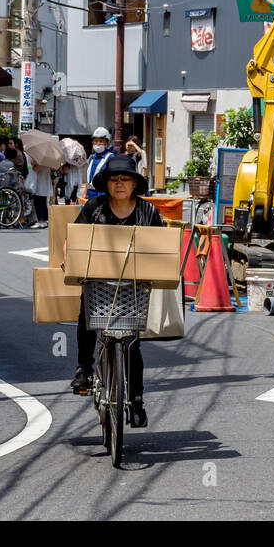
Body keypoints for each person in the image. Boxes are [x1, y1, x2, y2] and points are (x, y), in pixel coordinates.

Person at [66, 155, 164, 428]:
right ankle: (83, 369)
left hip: (134, 287)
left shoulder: (149, 213)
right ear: (107, 183)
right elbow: (74, 239)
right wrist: (69, 259)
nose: (120, 184)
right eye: (114, 179)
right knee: (86, 315)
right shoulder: (95, 208)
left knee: (132, 344)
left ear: (135, 183)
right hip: (99, 283)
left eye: (125, 179)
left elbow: (164, 247)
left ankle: (136, 400)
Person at [84, 127, 115, 201]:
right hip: (91, 192)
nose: (98, 143)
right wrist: (85, 192)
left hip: (103, 193)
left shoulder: (110, 157)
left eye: (101, 141)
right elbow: (88, 177)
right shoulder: (91, 157)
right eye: (96, 141)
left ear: (107, 143)